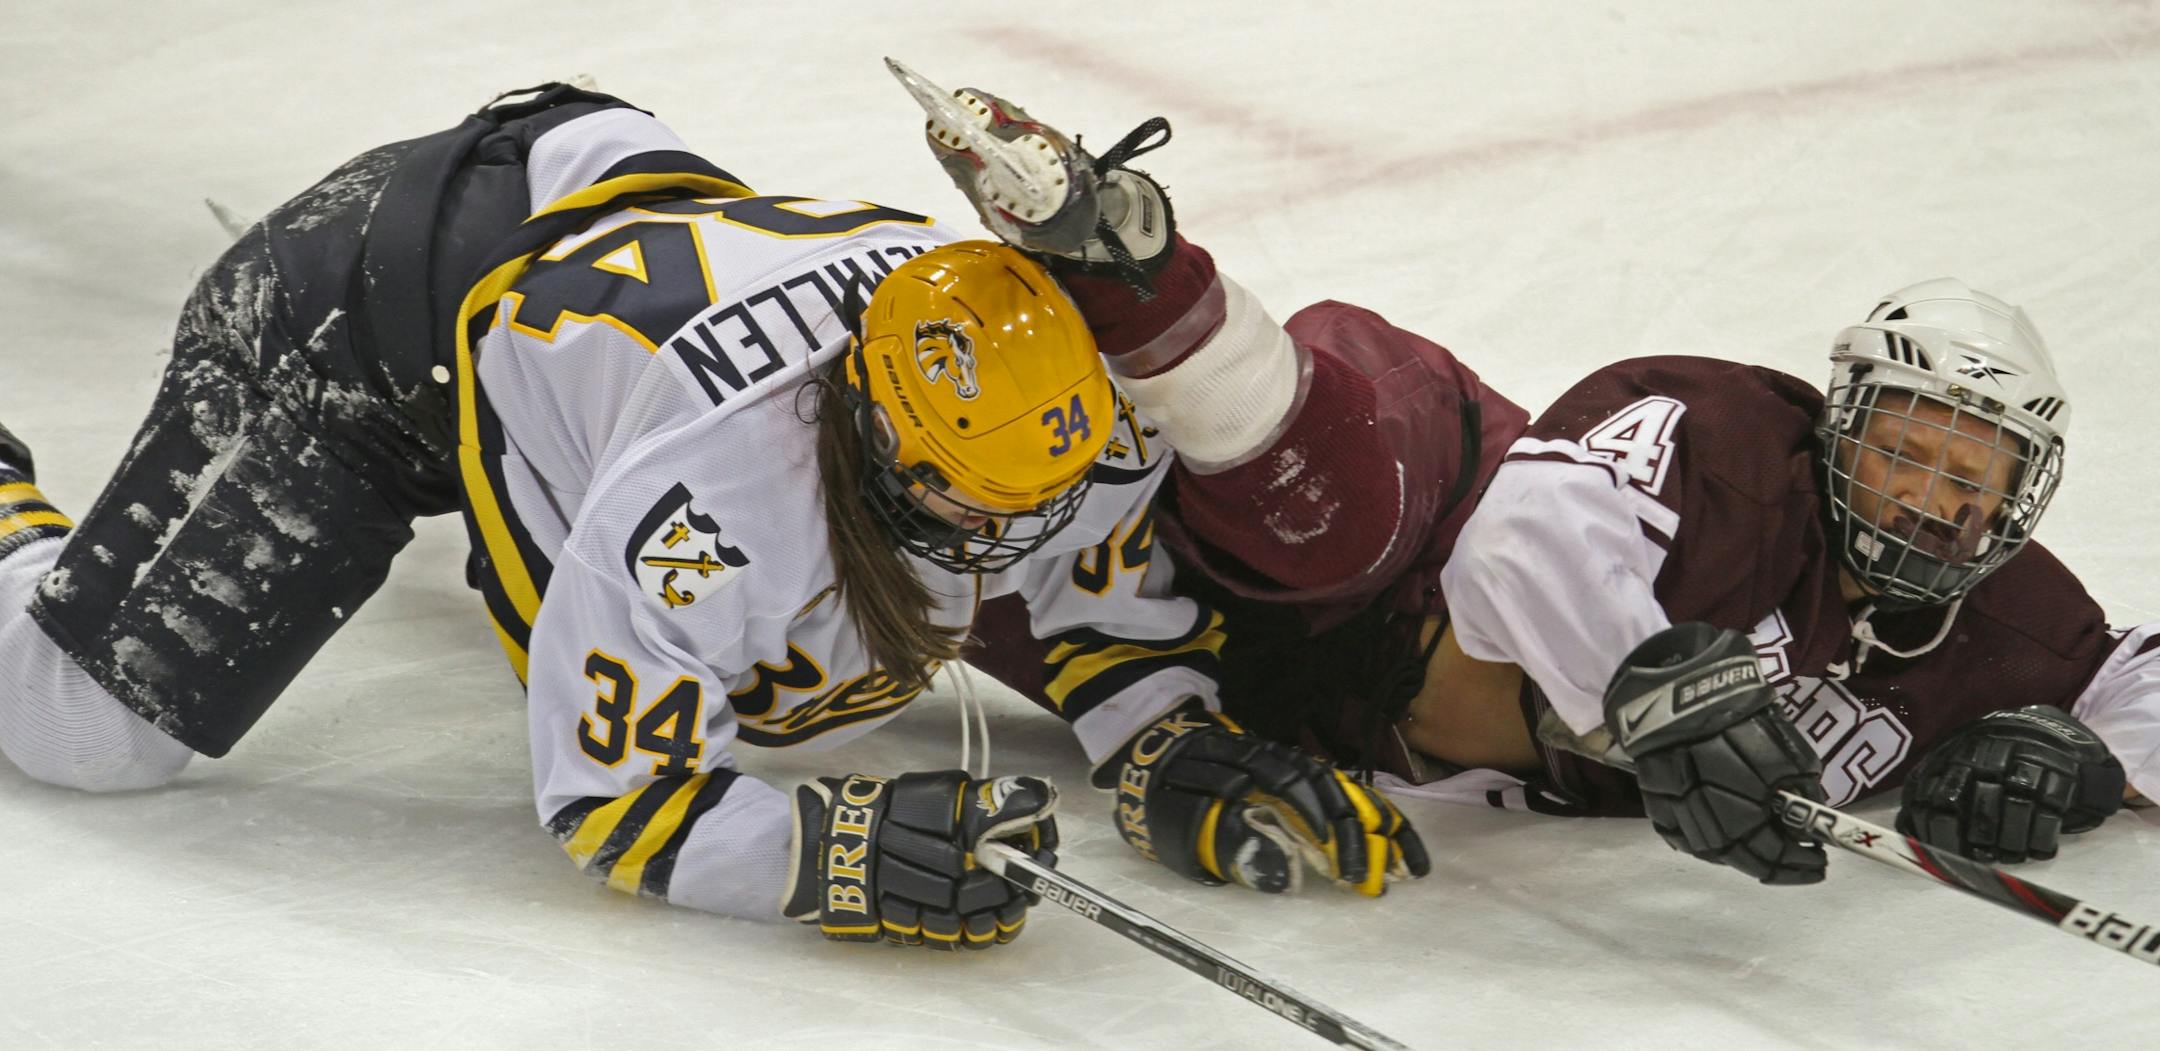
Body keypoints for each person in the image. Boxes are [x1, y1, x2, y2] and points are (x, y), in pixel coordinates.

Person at [0, 83, 1428, 948]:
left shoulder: (1055, 411)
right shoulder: (711, 502)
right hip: (371, 323)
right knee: (86, 731)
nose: (1005, 539)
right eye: (959, 501)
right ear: (865, 423)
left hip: (592, 196)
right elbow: (607, 796)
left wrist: (1168, 737)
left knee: (812, 673)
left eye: (1029, 499)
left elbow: (1089, 585)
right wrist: (827, 857)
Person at [923, 77, 2151, 885]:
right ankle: (1138, 271)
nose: (1929, 496)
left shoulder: (2013, 627)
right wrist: (1650, 690)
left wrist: (2086, 756)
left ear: (2013, 498)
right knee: (1331, 524)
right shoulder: (1727, 439)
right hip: (1416, 524)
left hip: (1303, 697)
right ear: (1843, 427)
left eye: (1968, 478)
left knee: (928, 569)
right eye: (1904, 448)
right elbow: (1522, 542)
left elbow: (2139, 681)